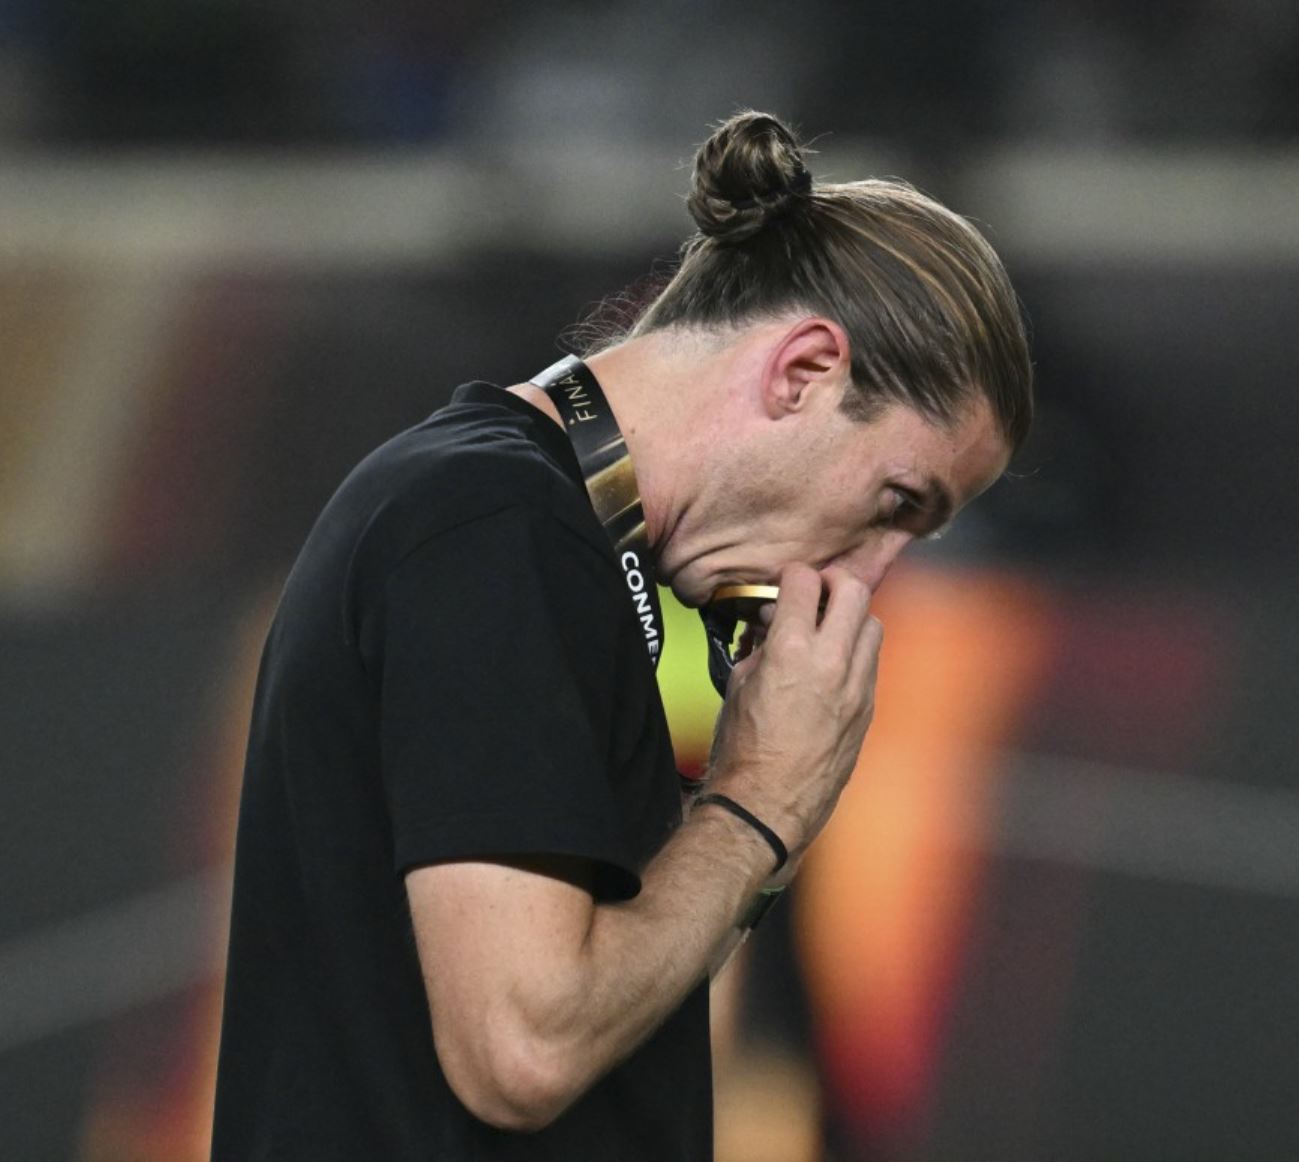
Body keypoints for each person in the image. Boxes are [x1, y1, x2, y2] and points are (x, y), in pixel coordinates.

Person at [210, 110, 1033, 1159]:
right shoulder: (494, 526)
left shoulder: (545, 537)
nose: (867, 574)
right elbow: (526, 1048)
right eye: (893, 503)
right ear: (803, 372)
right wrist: (763, 804)